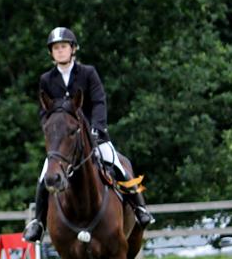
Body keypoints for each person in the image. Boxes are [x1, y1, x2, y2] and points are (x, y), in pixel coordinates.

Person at [23, 26, 154, 243]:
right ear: (51, 53)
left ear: (73, 49)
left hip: (93, 136)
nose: (60, 51)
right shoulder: (46, 79)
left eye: (63, 46)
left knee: (118, 163)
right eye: (56, 48)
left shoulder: (88, 73)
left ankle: (139, 207)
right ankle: (38, 223)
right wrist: (51, 130)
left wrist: (97, 127)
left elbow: (99, 101)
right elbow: (44, 110)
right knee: (44, 174)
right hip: (65, 141)